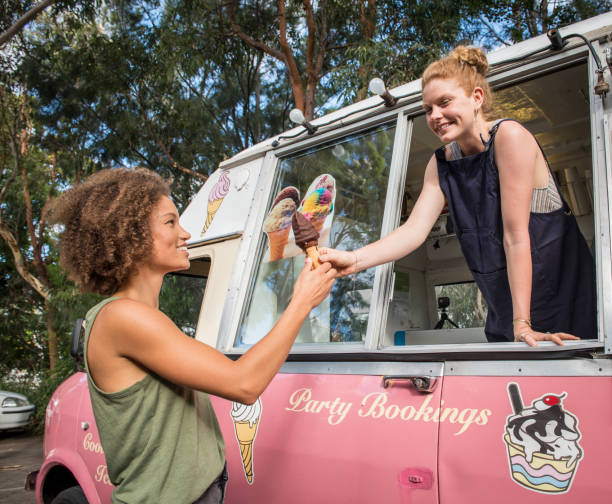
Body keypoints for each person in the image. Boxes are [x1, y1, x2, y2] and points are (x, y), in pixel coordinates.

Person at [49, 168, 336, 504]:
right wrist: (301, 302)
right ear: (130, 235)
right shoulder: (122, 318)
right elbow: (243, 383)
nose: (185, 233)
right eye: (170, 222)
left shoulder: (142, 317)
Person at [320, 46, 595, 347]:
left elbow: (516, 237)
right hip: (507, 316)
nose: (435, 115)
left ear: (476, 98)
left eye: (444, 102)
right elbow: (413, 231)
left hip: (560, 303)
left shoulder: (509, 137)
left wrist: (523, 324)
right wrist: (354, 259)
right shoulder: (440, 164)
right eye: (427, 109)